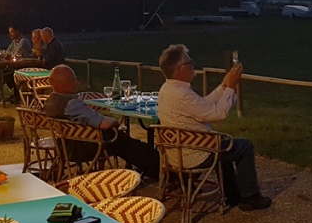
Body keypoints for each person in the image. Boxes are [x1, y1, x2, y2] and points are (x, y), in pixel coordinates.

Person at [157, 44, 272, 211]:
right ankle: (251, 197)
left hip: (177, 154)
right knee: (244, 146)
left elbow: (204, 106)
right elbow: (218, 114)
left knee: (222, 145)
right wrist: (231, 87)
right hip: (194, 154)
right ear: (179, 69)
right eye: (189, 63)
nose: (192, 66)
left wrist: (224, 86)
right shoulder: (181, 95)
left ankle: (232, 196)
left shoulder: (167, 89)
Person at [42, 64, 160, 179]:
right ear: (62, 85)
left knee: (130, 142)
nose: (77, 83)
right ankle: (157, 169)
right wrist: (115, 121)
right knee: (123, 141)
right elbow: (104, 123)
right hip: (86, 147)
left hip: (64, 146)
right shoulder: (71, 104)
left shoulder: (50, 102)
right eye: (73, 80)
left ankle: (151, 165)